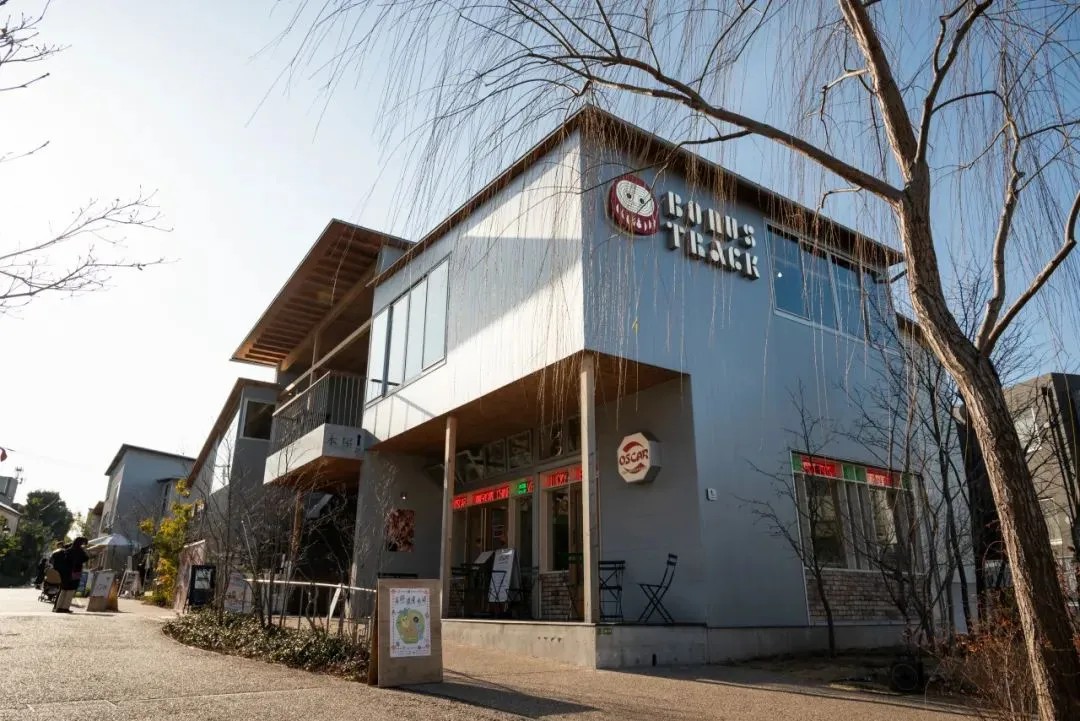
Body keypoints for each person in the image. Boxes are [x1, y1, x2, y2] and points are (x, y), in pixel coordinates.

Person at [53, 537, 89, 613]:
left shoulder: (68, 550)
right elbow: (86, 558)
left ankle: (58, 607)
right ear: (81, 543)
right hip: (75, 572)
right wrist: (84, 551)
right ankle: (65, 608)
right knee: (70, 591)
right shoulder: (79, 551)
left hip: (65, 573)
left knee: (63, 590)